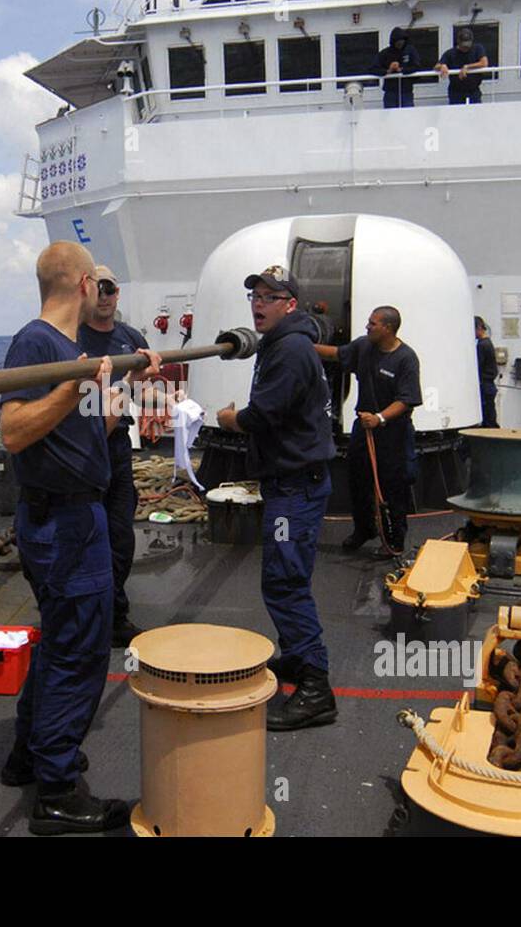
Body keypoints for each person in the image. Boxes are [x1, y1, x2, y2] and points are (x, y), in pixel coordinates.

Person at [0, 241, 158, 834]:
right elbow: (12, 431)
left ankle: (28, 754)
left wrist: (119, 393)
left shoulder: (69, 349)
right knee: (81, 649)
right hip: (63, 523)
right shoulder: (38, 342)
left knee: (63, 639)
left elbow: (82, 433)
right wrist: (72, 389)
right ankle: (58, 791)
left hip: (75, 513)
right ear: (86, 283)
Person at [217, 265, 337, 731]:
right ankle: (299, 656)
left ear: (291, 304)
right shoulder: (287, 344)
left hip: (294, 488)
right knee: (290, 579)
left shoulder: (288, 350)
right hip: (295, 483)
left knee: (284, 584)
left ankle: (315, 687)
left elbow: (260, 415)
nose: (258, 304)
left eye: (269, 297)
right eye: (255, 296)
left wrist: (228, 418)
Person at [78, 265, 162, 649]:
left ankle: (113, 614)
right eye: (100, 287)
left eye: (112, 288)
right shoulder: (71, 339)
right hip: (80, 449)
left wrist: (156, 397)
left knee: (120, 536)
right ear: (86, 291)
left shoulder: (130, 339)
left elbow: (142, 391)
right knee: (83, 536)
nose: (107, 295)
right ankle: (85, 617)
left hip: (116, 450)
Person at [316, 306, 423, 558]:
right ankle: (364, 529)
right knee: (358, 481)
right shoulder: (364, 347)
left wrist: (380, 417)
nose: (367, 326)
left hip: (392, 432)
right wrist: (300, 345)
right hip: (363, 429)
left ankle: (394, 540)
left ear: (388, 327)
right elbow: (335, 354)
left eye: (373, 323)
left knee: (392, 487)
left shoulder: (406, 358)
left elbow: (407, 399)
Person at [371, 27, 422, 109]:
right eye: (398, 41)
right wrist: (388, 70)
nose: (400, 43)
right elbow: (373, 69)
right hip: (390, 92)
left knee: (408, 115)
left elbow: (417, 67)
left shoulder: (410, 51)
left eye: (402, 41)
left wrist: (402, 70)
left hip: (406, 91)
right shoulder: (385, 53)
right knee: (390, 115)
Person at [436, 28, 488, 105]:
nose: (465, 47)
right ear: (458, 42)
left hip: (473, 91)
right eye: (463, 45)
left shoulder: (477, 49)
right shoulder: (450, 53)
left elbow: (484, 63)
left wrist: (467, 67)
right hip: (456, 92)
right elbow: (437, 65)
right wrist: (442, 66)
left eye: (467, 44)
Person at [475, 315, 499, 427]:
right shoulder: (488, 343)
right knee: (490, 413)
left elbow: (478, 365)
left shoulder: (482, 345)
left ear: (479, 328)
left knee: (487, 416)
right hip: (489, 385)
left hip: (485, 384)